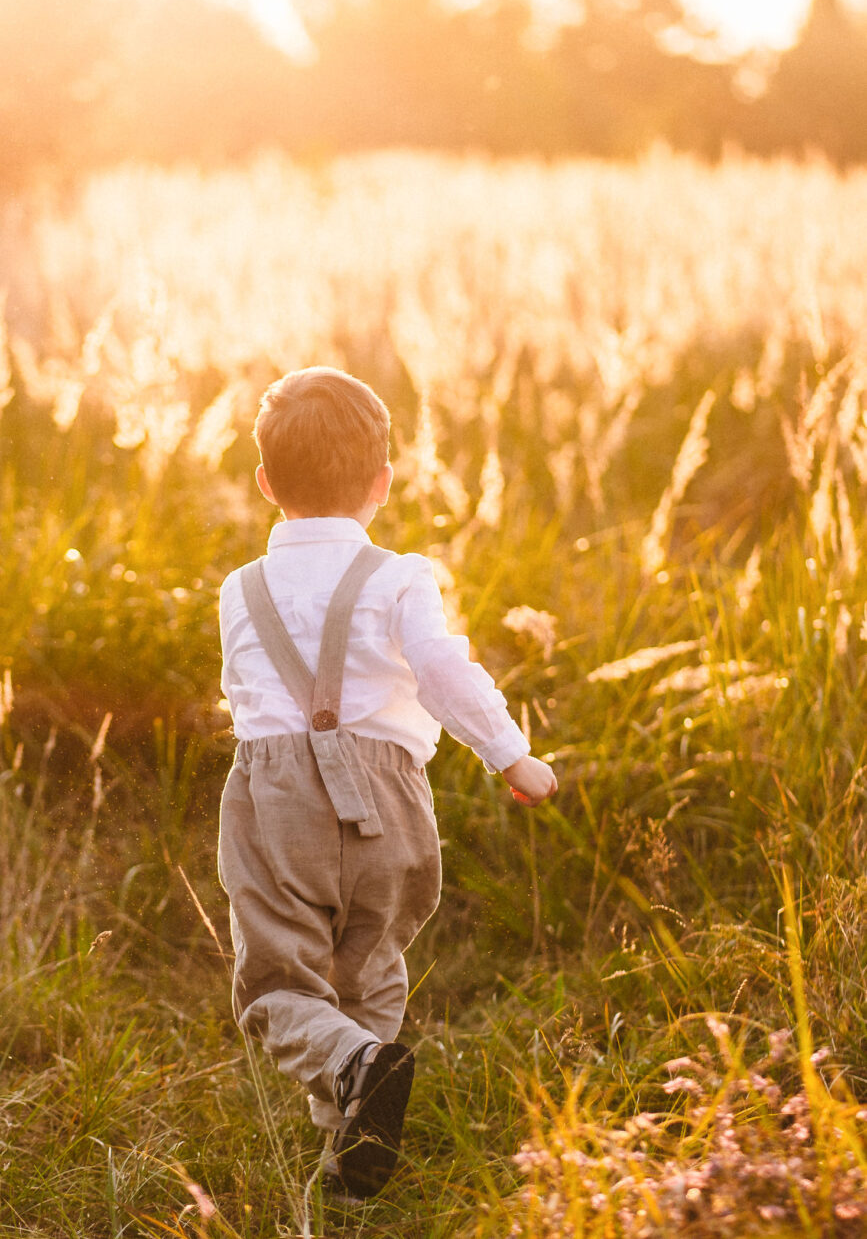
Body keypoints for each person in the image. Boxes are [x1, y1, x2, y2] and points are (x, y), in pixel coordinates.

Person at [217, 367, 557, 1199]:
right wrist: (510, 754)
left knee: (277, 984)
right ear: (384, 482)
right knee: (368, 967)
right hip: (390, 797)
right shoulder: (402, 577)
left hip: (273, 800)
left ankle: (350, 1066)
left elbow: (246, 698)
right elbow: (443, 669)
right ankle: (347, 1157)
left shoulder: (239, 591)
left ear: (265, 484)